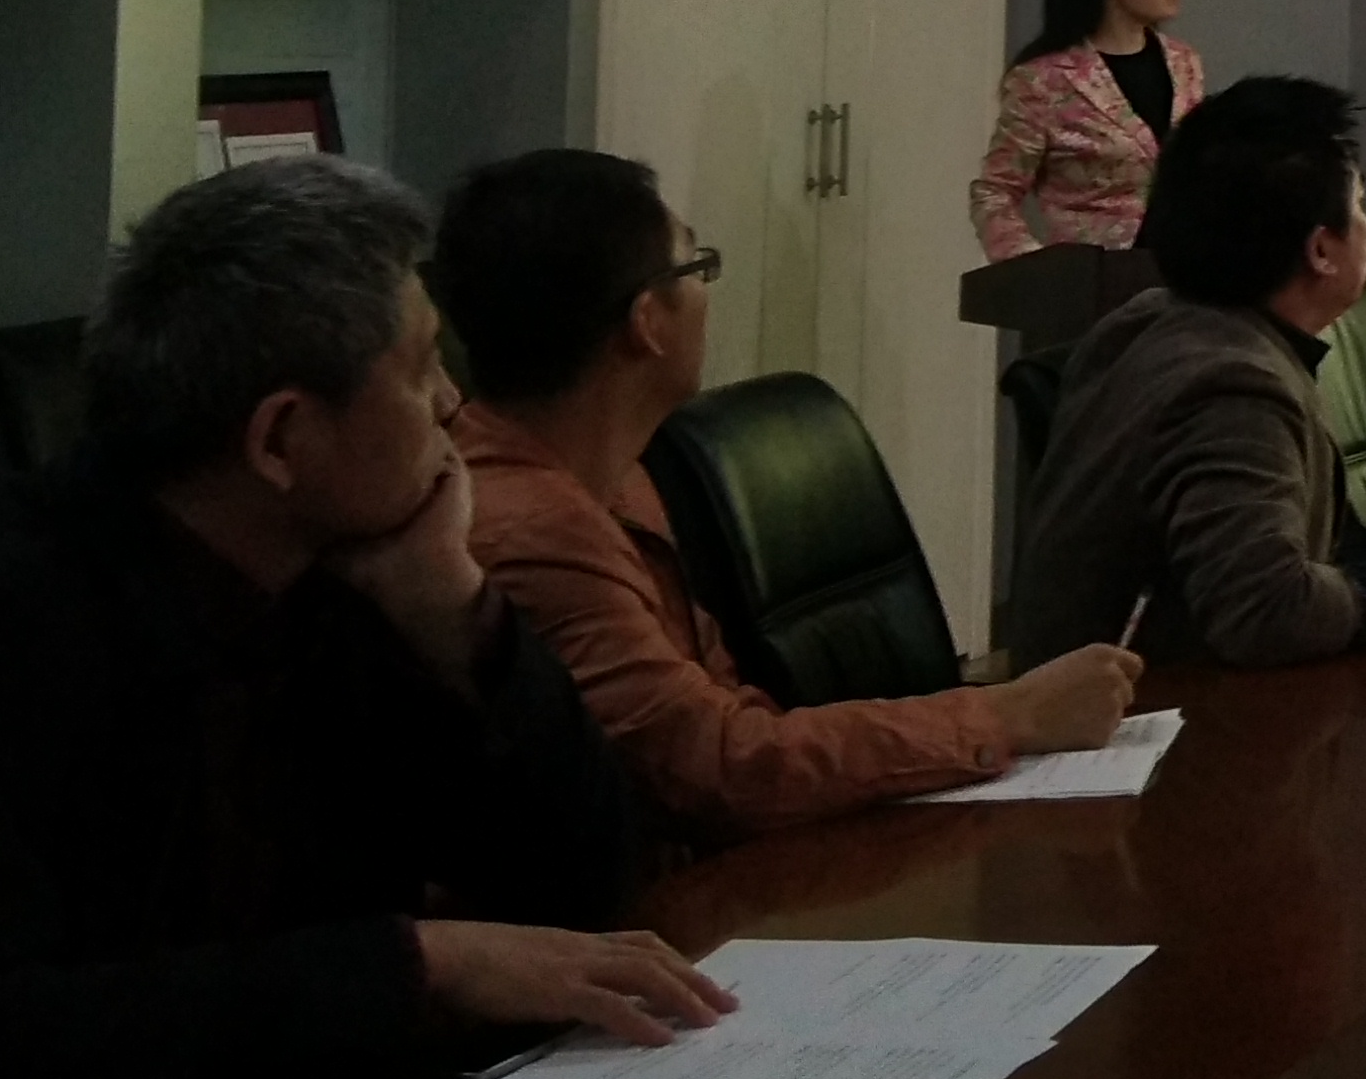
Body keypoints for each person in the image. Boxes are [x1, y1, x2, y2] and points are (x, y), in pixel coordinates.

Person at [0, 158, 726, 1079]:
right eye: (419, 369)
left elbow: (584, 883)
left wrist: (460, 614)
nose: (450, 403)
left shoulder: (348, 572)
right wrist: (413, 965)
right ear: (281, 440)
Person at [430, 149, 1147, 846]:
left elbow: (726, 708)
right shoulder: (534, 530)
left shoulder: (614, 477)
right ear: (647, 322)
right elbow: (720, 766)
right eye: (697, 267)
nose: (708, 294)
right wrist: (1006, 716)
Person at [1006, 76, 1366, 666]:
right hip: (1146, 712)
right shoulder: (1231, 386)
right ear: (1322, 250)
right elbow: (1266, 609)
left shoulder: (1161, 323)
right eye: (1359, 206)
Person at [972, 0, 1204, 260]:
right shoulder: (1043, 81)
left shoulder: (1184, 63)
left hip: (1184, 271)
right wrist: (1033, 265)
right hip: (1092, 277)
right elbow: (995, 191)